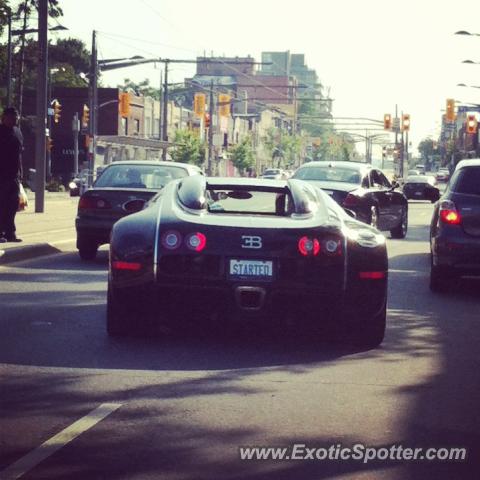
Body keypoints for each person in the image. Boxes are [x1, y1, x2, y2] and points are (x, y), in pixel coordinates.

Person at [0, 107, 24, 243]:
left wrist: (21, 172)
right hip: (1, 176)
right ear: (4, 118)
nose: (14, 120)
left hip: (14, 176)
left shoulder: (18, 132)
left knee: (13, 205)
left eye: (16, 117)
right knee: (1, 205)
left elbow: (19, 154)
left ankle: (10, 233)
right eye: (11, 117)